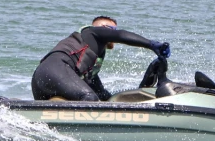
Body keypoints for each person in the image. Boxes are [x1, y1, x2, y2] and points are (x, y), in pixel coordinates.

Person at [31, 16, 170, 101]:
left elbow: (101, 94)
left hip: (43, 78)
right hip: (55, 69)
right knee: (88, 98)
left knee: (93, 97)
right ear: (102, 29)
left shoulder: (90, 57)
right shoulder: (90, 32)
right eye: (111, 30)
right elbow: (121, 35)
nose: (113, 35)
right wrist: (151, 44)